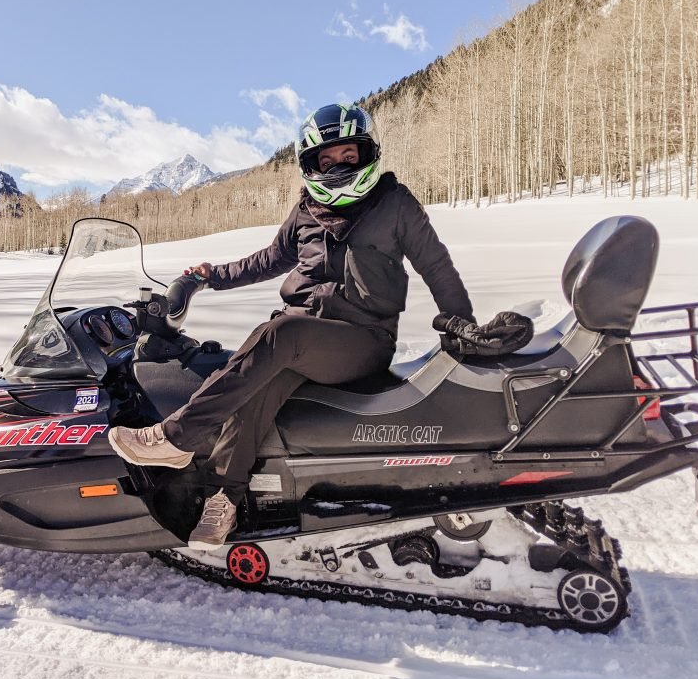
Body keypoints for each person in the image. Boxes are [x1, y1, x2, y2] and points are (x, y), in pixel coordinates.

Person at [108, 103, 475, 550]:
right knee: (254, 386)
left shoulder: (394, 204)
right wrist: (208, 275)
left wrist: (460, 322)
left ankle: (177, 435)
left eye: (347, 155)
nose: (338, 166)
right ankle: (223, 500)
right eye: (326, 159)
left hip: (363, 340)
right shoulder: (306, 212)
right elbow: (267, 260)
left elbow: (436, 265)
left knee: (278, 334)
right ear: (310, 165)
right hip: (303, 339)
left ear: (366, 154)